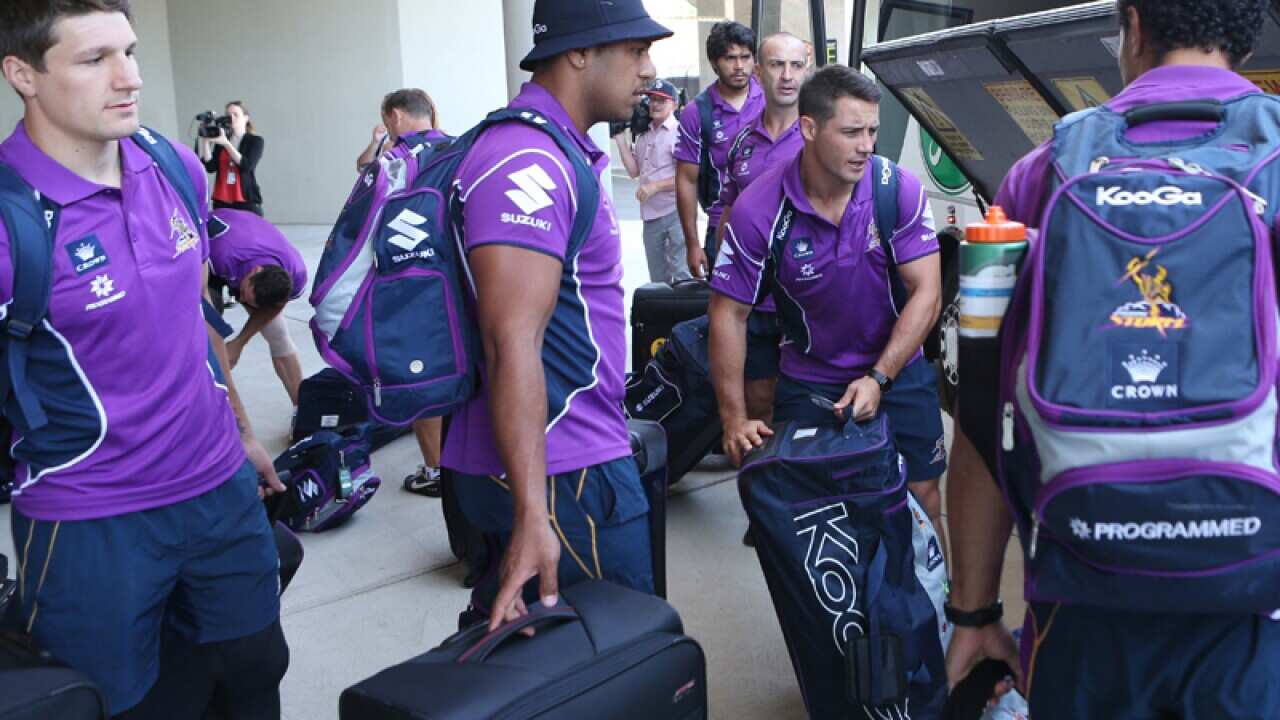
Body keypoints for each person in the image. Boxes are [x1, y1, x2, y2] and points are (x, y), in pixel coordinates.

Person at [945, 1, 1280, 717]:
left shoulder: (1041, 175)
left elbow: (983, 421)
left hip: (1081, 605)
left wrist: (974, 613)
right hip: (1258, 616)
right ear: (1249, 36)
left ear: (1131, 24)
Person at [0, 1, 288, 718]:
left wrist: (244, 431)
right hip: (90, 520)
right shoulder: (9, 220)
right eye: (94, 59)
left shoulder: (173, 165)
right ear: (21, 74)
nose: (127, 77)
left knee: (253, 676)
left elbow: (194, 320)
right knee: (123, 708)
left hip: (219, 490)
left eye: (129, 52)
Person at [440, 0, 671, 632]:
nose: (649, 69)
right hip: (564, 475)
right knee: (613, 661)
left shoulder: (544, 149)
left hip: (551, 467)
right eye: (635, 51)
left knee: (545, 661)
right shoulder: (528, 161)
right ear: (578, 52)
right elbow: (510, 336)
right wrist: (532, 514)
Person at [708, 64, 949, 558]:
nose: (866, 145)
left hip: (898, 373)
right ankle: (840, 629)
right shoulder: (758, 210)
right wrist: (733, 420)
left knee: (922, 499)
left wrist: (879, 377)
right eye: (852, 132)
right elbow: (726, 314)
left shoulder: (895, 189)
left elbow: (928, 292)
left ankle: (942, 623)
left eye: (873, 132)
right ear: (810, 128)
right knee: (818, 516)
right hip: (810, 384)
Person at [353, 87, 451, 498]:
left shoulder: (392, 162)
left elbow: (359, 214)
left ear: (393, 116)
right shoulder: (460, 148)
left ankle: (436, 470)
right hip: (460, 279)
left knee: (421, 378)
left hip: (412, 286)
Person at [675, 20, 763, 279]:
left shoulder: (773, 99)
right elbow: (686, 180)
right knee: (725, 315)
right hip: (723, 229)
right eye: (730, 58)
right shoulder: (696, 112)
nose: (739, 66)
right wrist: (692, 245)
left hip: (775, 225)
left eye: (745, 57)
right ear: (714, 62)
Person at [207, 207, 307, 407]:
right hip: (210, 246)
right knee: (209, 323)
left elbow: (273, 307)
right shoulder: (223, 253)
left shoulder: (296, 275)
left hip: (250, 242)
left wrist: (239, 343)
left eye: (249, 302)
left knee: (277, 333)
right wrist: (223, 345)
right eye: (243, 294)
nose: (241, 299)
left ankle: (301, 406)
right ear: (254, 272)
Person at [613, 79, 688, 284]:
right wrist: (620, 139)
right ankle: (662, 317)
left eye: (661, 100)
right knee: (657, 279)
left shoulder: (679, 133)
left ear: (674, 104)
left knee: (682, 275)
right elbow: (633, 171)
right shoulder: (644, 135)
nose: (655, 104)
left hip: (675, 213)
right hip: (650, 216)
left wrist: (655, 186)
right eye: (652, 99)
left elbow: (687, 177)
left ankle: (684, 317)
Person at [355, 87, 443, 176]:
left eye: (388, 125)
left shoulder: (397, 152)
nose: (390, 134)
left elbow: (366, 173)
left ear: (396, 116)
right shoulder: (450, 146)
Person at [198, 100, 264, 215]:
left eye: (236, 114)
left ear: (246, 118)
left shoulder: (255, 141)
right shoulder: (222, 140)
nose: (231, 118)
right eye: (228, 115)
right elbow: (210, 166)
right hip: (221, 200)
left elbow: (247, 165)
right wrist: (205, 140)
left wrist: (226, 144)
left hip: (245, 201)